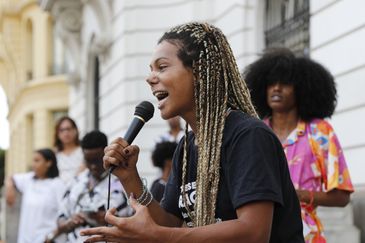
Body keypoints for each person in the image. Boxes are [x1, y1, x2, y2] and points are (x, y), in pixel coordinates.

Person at [80, 22, 304, 243]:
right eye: (151, 70)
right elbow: (170, 223)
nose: (150, 78)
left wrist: (157, 236)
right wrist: (131, 179)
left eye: (162, 66)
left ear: (198, 71)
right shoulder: (187, 147)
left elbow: (253, 232)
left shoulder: (248, 136)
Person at [244, 48, 354, 242]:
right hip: (260, 232)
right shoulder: (254, 132)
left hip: (305, 235)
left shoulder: (320, 132)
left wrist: (295, 195)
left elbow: (342, 197)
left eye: (285, 83)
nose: (276, 88)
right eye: (271, 83)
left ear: (301, 89)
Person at [48, 130, 130, 243]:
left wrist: (111, 220)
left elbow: (136, 223)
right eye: (88, 161)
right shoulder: (76, 183)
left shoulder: (123, 183)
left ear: (106, 154)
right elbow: (60, 219)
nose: (93, 166)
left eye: (97, 161)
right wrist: (70, 222)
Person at [5, 148, 65, 243]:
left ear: (48, 163)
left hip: (46, 240)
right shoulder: (29, 179)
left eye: (37, 160)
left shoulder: (57, 185)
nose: (33, 164)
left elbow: (65, 214)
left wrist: (50, 237)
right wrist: (9, 189)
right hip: (25, 239)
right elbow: (11, 177)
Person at [54, 116, 85, 183]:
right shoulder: (55, 154)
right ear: (57, 133)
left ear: (75, 130)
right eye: (61, 130)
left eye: (68, 129)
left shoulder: (84, 150)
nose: (66, 133)